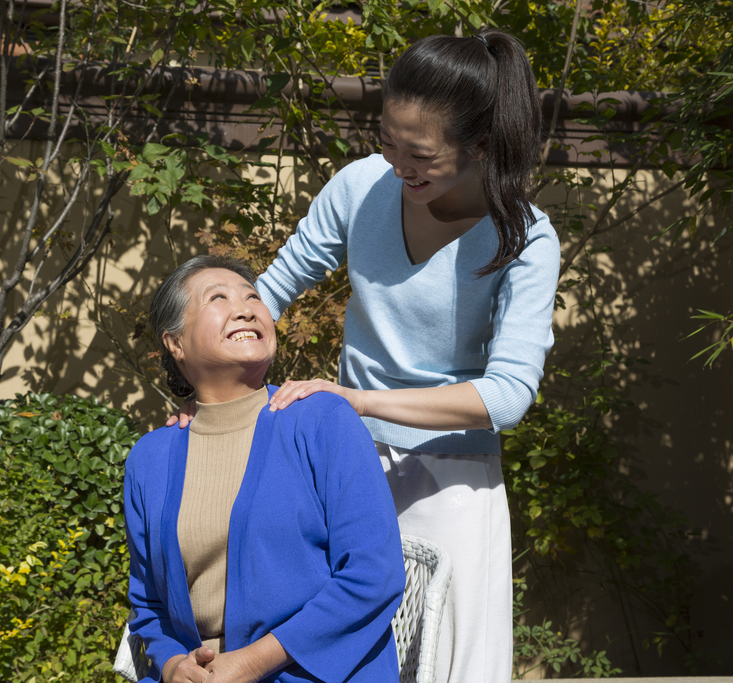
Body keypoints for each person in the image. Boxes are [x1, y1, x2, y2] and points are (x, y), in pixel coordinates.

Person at [171, 30, 560, 683]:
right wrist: (209, 403)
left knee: (453, 667)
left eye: (421, 153)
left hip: (454, 480)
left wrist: (361, 401)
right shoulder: (360, 186)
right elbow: (272, 291)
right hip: (348, 468)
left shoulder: (525, 237)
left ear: (482, 147)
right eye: (387, 141)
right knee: (333, 652)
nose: (398, 165)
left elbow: (508, 394)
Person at [125, 254, 406, 683]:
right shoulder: (150, 458)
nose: (246, 308)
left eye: (252, 296)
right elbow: (148, 606)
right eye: (218, 298)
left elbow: (373, 574)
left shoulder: (321, 420)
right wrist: (170, 665)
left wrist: (251, 662)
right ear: (175, 343)